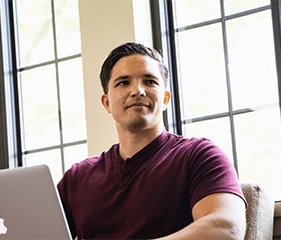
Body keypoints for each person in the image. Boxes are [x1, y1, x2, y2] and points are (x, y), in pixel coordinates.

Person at [57, 42, 246, 239]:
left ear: (165, 99)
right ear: (107, 103)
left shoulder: (199, 155)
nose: (137, 91)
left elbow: (226, 229)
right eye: (123, 82)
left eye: (149, 81)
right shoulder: (77, 178)